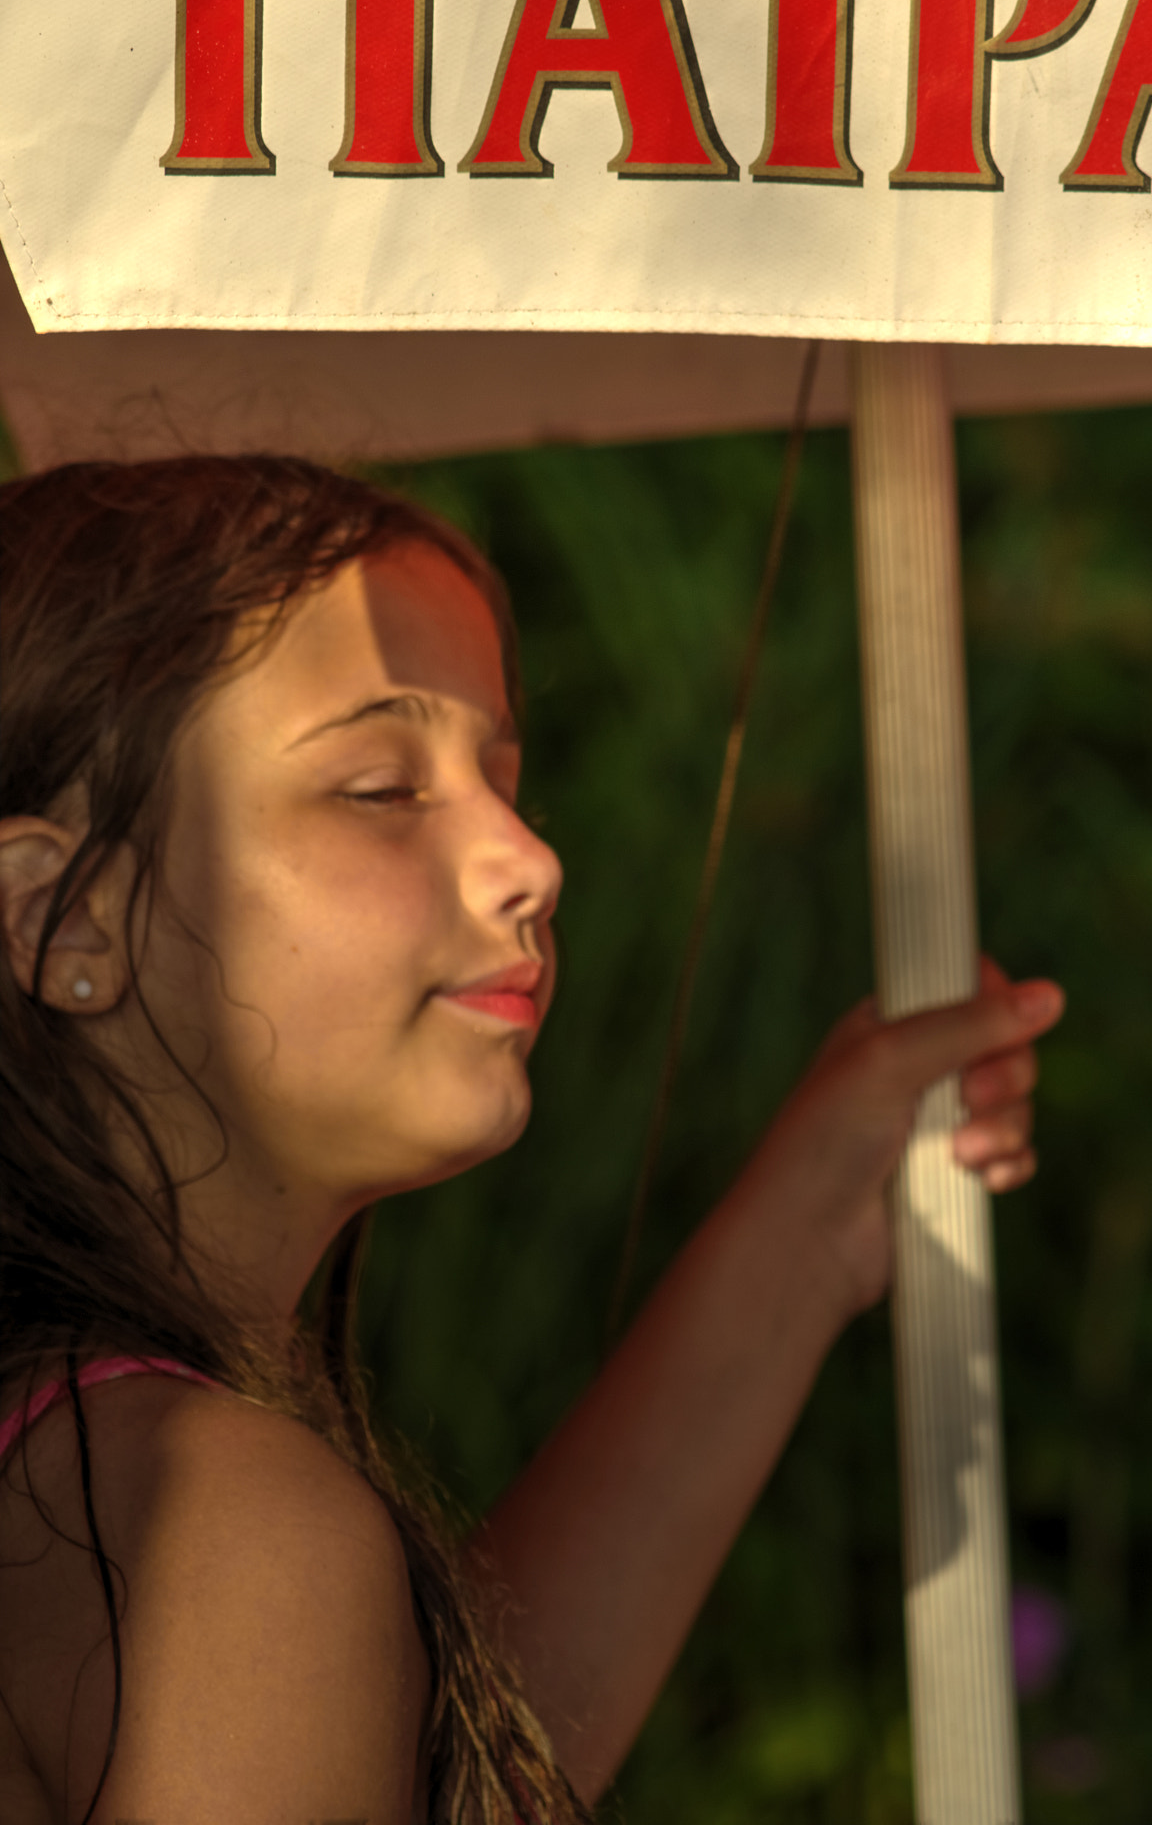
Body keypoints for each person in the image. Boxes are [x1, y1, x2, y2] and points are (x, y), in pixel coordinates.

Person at [0, 455, 1063, 1825]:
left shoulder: (100, 1486)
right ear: (59, 917)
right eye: (381, 788)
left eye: (504, 781)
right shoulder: (211, 1522)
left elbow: (464, 1783)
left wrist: (812, 1223)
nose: (528, 861)